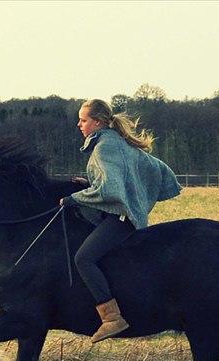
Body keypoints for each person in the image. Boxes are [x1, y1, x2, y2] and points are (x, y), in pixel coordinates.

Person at [59, 98, 182, 343]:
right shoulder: (115, 142)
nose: (79, 124)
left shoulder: (105, 146)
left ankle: (112, 318)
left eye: (83, 120)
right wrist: (91, 185)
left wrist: (74, 198)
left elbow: (109, 192)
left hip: (121, 218)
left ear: (97, 122)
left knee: (83, 258)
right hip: (125, 214)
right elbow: (152, 170)